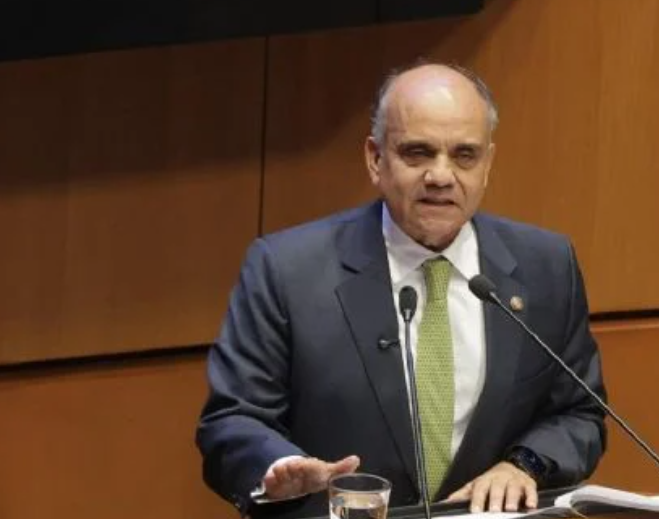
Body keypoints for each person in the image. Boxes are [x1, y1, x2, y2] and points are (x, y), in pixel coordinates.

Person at [196, 62, 607, 519]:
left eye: (464, 155)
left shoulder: (545, 266)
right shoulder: (286, 270)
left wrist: (523, 465)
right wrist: (278, 467)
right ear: (375, 158)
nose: (441, 176)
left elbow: (579, 414)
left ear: (488, 164)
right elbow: (232, 420)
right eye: (418, 153)